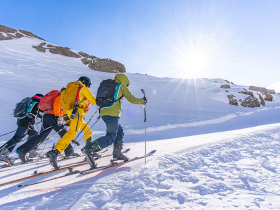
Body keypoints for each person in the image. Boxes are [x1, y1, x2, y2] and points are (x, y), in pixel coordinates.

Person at [81, 73, 147, 168]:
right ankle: (90, 148)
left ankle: (117, 153)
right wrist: (142, 101)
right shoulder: (121, 86)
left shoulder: (109, 85)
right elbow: (132, 99)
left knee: (119, 131)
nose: (127, 86)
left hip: (103, 113)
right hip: (112, 113)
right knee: (111, 136)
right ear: (125, 81)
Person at [16, 88, 79, 163]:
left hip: (45, 116)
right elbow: (56, 105)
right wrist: (57, 117)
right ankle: (69, 152)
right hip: (53, 116)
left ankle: (22, 150)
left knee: (41, 136)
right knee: (64, 134)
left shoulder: (57, 95)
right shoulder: (61, 96)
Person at [46, 76, 96, 169]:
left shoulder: (68, 90)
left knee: (88, 131)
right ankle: (55, 152)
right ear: (85, 83)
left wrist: (67, 119)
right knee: (71, 133)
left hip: (71, 114)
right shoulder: (82, 88)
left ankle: (89, 151)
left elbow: (64, 105)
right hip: (77, 114)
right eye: (88, 85)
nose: (88, 87)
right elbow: (93, 100)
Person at [0, 94, 44, 165]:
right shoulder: (36, 104)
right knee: (17, 138)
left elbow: (34, 113)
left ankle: (32, 153)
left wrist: (41, 117)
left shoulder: (31, 103)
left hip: (24, 122)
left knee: (34, 135)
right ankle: (3, 153)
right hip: (26, 123)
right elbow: (35, 112)